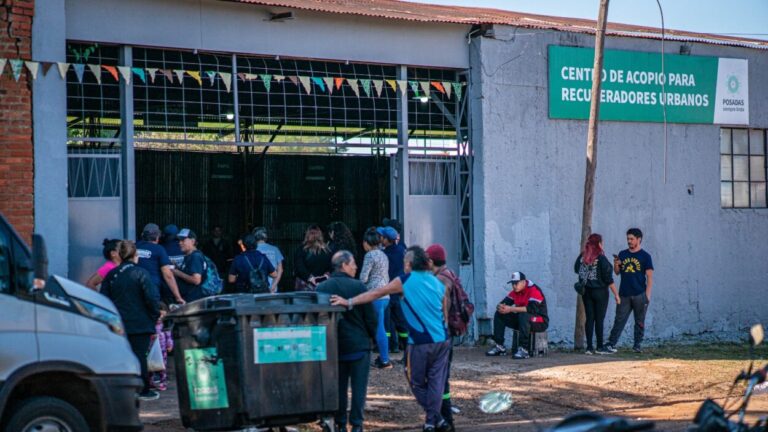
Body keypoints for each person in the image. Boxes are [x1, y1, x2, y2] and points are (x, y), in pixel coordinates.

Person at [331, 246, 453, 432]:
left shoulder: (404, 281)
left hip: (420, 341)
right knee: (436, 381)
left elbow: (376, 293)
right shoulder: (437, 282)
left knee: (416, 382)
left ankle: (435, 418)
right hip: (443, 340)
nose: (403, 265)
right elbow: (445, 308)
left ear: (409, 264)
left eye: (405, 262)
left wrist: (348, 302)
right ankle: (433, 422)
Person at [317, 251, 377, 432]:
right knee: (359, 388)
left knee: (339, 387)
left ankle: (340, 423)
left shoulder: (322, 288)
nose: (356, 267)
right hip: (359, 345)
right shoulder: (359, 287)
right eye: (353, 264)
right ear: (343, 265)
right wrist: (372, 339)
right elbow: (371, 318)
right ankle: (357, 425)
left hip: (334, 347)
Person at [100, 240, 161, 401]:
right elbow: (152, 298)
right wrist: (154, 317)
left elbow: (104, 300)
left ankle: (121, 389)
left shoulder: (112, 275)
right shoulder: (141, 273)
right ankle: (143, 389)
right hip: (140, 323)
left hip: (118, 323)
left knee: (120, 356)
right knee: (140, 356)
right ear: (135, 255)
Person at [604, 228, 654, 354]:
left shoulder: (645, 256)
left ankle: (637, 345)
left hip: (639, 294)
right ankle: (611, 344)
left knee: (639, 321)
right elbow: (617, 273)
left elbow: (649, 277)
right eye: (628, 239)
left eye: (632, 239)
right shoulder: (623, 254)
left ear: (639, 239)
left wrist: (647, 296)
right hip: (624, 294)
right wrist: (616, 264)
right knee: (619, 320)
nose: (629, 241)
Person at [426, 244, 456, 431]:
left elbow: (443, 306)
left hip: (441, 337)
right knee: (440, 379)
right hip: (445, 336)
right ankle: (442, 419)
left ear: (430, 261)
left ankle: (445, 421)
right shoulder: (449, 274)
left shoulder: (442, 281)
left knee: (439, 380)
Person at [574, 233, 621, 355]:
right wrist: (616, 295)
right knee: (599, 319)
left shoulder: (582, 256)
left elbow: (575, 269)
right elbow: (609, 279)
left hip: (586, 292)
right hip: (600, 293)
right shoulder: (601, 258)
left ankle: (589, 347)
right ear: (599, 243)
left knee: (589, 319)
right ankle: (600, 346)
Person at [486, 272, 549, 359]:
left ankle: (524, 349)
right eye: (512, 284)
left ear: (523, 282)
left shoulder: (534, 290)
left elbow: (531, 309)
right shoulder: (515, 291)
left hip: (540, 322)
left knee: (524, 315)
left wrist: (510, 309)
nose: (514, 286)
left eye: (516, 283)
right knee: (500, 314)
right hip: (523, 322)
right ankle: (499, 346)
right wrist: (500, 307)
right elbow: (504, 303)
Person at [358, 227, 391, 369]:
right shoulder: (383, 255)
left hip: (374, 295)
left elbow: (363, 277)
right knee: (380, 326)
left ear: (367, 242)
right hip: (385, 295)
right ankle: (383, 358)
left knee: (377, 328)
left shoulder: (370, 256)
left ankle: (384, 360)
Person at [136, 223, 185, 305]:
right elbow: (168, 275)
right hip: (151, 289)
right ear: (157, 237)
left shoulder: (134, 247)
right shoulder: (159, 249)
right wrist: (178, 297)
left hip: (134, 288)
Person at [378, 226, 409, 352]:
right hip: (400, 291)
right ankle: (407, 350)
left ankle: (389, 348)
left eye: (382, 237)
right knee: (401, 322)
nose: (381, 239)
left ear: (386, 239)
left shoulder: (384, 254)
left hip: (388, 290)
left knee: (386, 323)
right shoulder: (402, 250)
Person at [171, 228, 207, 302]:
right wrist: (177, 268)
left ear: (193, 241)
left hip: (193, 301)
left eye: (183, 240)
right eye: (179, 240)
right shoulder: (189, 256)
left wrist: (178, 273)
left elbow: (196, 280)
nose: (180, 243)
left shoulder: (195, 257)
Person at [293, 224, 333, 291]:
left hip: (305, 285)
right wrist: (324, 277)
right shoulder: (327, 250)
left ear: (307, 235)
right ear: (320, 235)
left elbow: (299, 266)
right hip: (322, 284)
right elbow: (331, 267)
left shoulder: (301, 249)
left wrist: (310, 278)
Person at [253, 226, 285, 293]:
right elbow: (280, 270)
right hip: (272, 288)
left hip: (256, 288)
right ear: (265, 236)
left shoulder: (253, 251)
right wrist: (273, 286)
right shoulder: (275, 249)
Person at [151, 303, 173, 392]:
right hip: (151, 349)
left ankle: (162, 382)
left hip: (162, 349)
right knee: (150, 366)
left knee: (162, 367)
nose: (159, 318)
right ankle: (150, 382)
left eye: (162, 316)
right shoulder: (151, 325)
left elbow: (168, 336)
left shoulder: (164, 326)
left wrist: (170, 345)